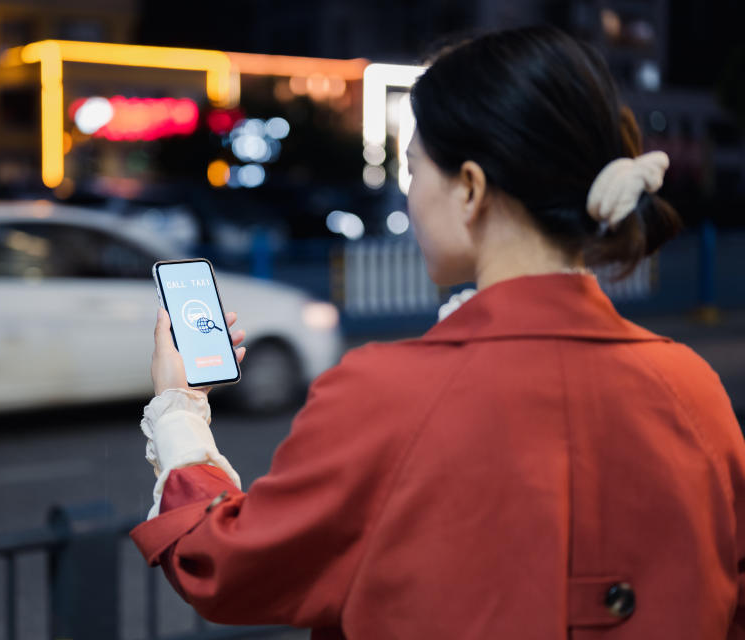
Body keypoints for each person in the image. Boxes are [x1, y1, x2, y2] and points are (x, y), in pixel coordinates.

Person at [130, 26, 745, 639]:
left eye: (414, 168)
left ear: (471, 189)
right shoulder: (693, 390)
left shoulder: (386, 394)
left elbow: (222, 564)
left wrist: (179, 408)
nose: (410, 192)